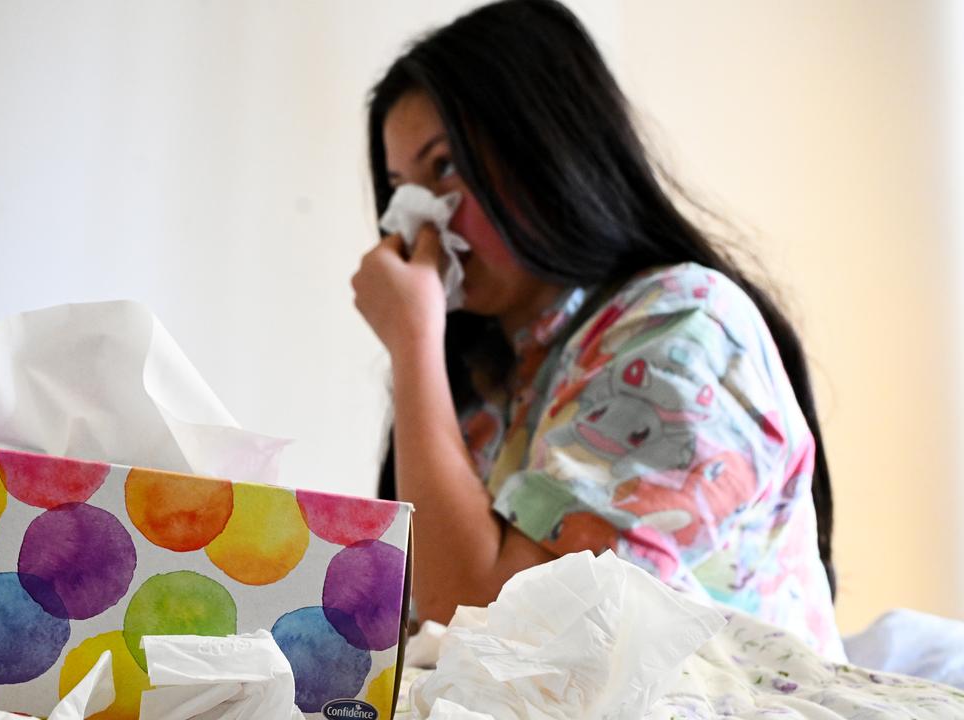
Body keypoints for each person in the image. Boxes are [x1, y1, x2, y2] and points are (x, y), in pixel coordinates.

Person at [350, 0, 843, 657]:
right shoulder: (486, 379)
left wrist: (413, 344)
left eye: (444, 167)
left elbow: (490, 629)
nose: (415, 223)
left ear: (547, 146)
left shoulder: (683, 330)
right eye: (398, 187)